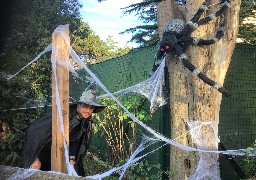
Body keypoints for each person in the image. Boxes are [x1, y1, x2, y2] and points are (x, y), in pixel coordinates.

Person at [23, 83, 106, 176]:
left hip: (61, 154)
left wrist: (71, 162)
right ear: (78, 105)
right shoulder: (63, 113)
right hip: (43, 151)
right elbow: (34, 131)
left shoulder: (85, 121)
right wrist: (34, 158)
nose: (88, 111)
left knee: (75, 173)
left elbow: (77, 142)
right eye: (85, 106)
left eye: (91, 108)